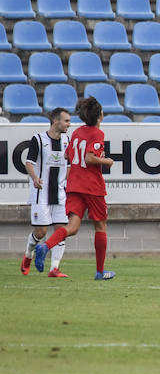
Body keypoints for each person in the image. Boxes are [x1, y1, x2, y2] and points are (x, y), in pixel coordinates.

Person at [34, 98, 116, 280]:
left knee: (72, 227)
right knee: (100, 226)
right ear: (100, 116)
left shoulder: (77, 132)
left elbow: (66, 154)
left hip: (74, 185)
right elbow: (89, 158)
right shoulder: (97, 134)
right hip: (92, 186)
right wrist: (106, 161)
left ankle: (45, 246)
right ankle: (100, 272)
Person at [21, 108, 71, 278]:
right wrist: (35, 177)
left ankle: (54, 268)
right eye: (66, 121)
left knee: (60, 230)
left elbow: (69, 165)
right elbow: (29, 162)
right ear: (56, 121)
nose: (68, 125)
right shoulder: (39, 139)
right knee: (41, 232)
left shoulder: (67, 140)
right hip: (41, 192)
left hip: (60, 193)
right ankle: (28, 254)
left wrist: (67, 185)